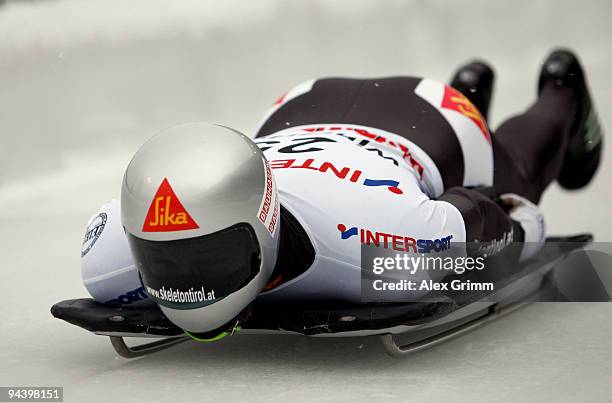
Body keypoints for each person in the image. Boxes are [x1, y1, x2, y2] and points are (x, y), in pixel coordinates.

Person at [89, 49, 603, 340]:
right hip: (302, 105)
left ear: (261, 224)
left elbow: (491, 220)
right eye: (159, 260)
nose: (187, 281)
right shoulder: (109, 252)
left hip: (431, 120)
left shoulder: (377, 250)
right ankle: (469, 88)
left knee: (511, 172)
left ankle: (563, 95)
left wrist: (523, 228)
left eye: (206, 256)